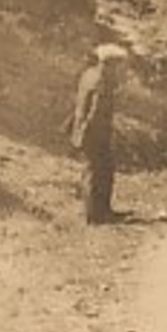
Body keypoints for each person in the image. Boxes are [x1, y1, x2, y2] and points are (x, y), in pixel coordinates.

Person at [64, 42, 128, 224]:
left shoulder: (89, 74)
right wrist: (87, 132)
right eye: (116, 65)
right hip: (94, 132)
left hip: (88, 130)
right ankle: (96, 215)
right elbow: (96, 111)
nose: (118, 70)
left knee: (98, 170)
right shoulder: (102, 80)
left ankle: (100, 212)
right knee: (98, 171)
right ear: (109, 64)